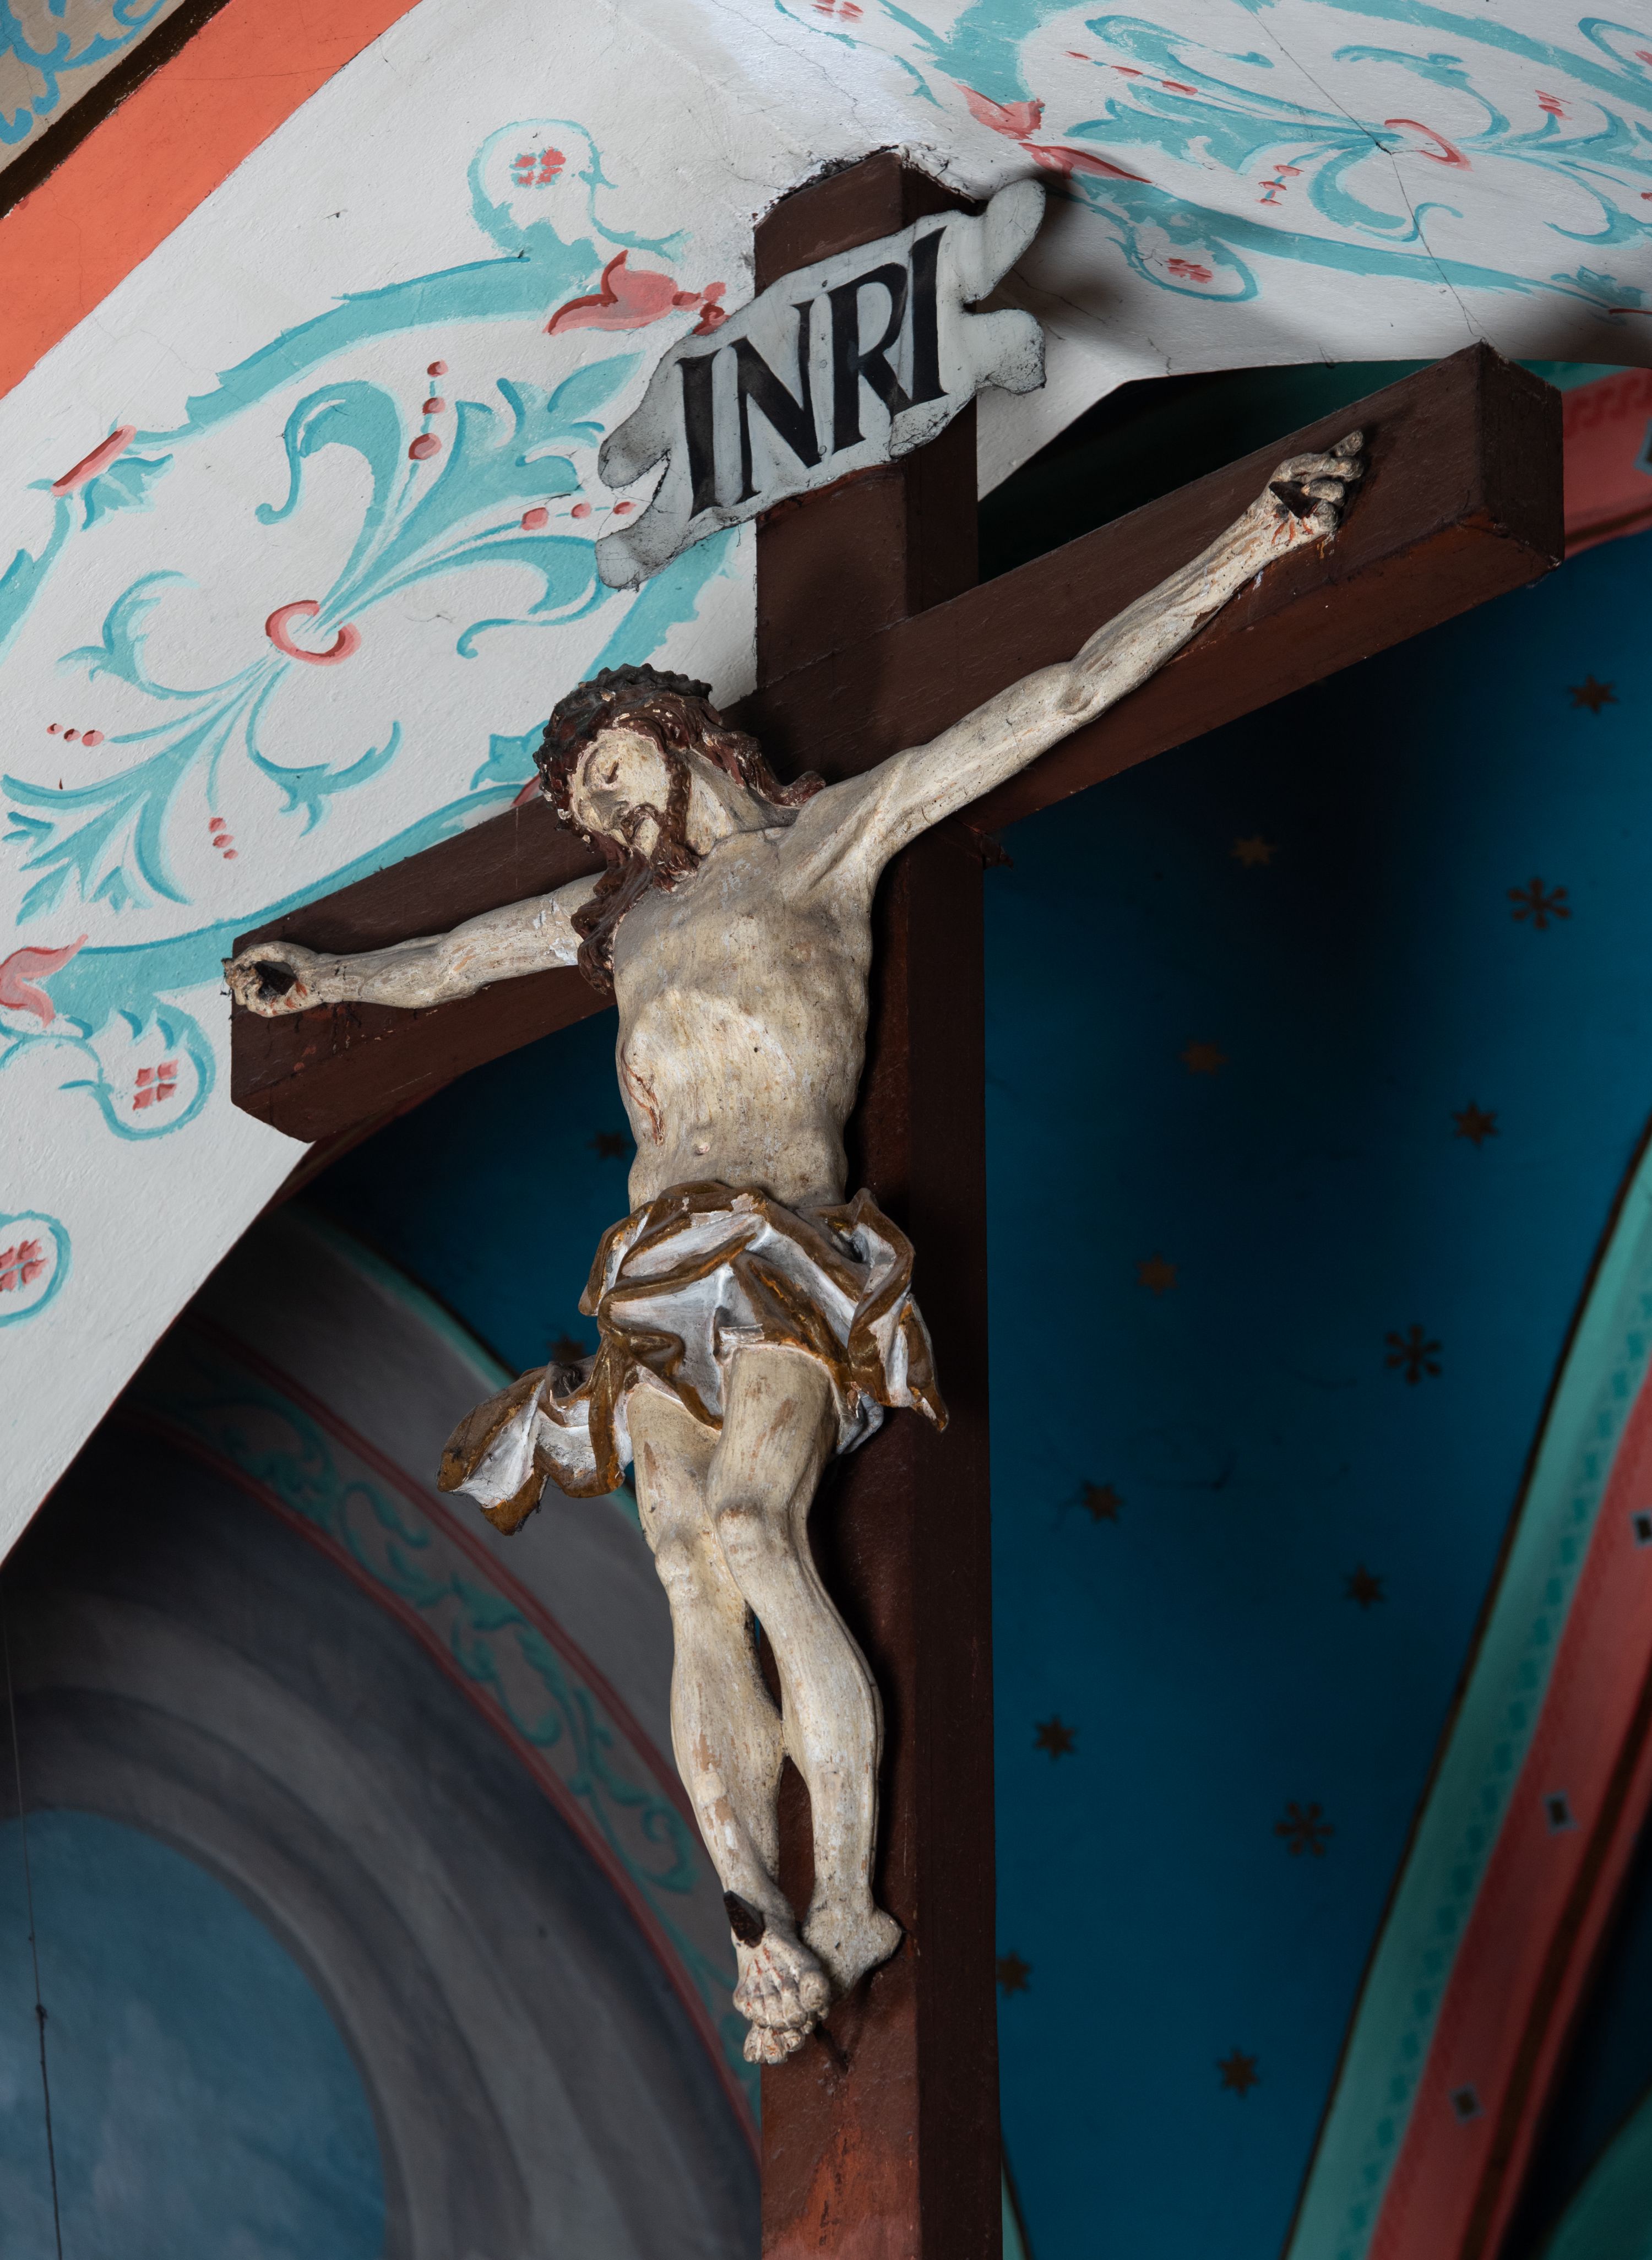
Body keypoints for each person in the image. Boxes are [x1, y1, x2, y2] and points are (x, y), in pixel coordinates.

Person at [229, 431, 1365, 2061]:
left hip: (784, 1239)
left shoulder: (821, 848)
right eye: (587, 802)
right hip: (651, 1270)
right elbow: (455, 961)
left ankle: (846, 1897)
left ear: (689, 741)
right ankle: (751, 1909)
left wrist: (1244, 546)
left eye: (618, 768)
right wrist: (335, 983)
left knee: (761, 1530)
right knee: (684, 1568)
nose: (606, 809)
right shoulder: (619, 923)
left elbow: (1050, 697)